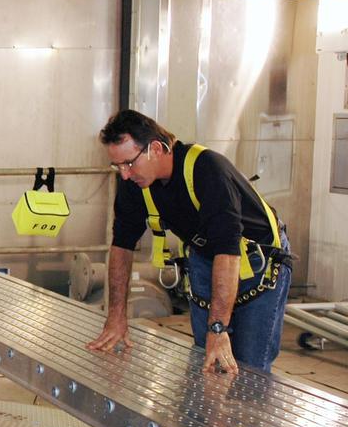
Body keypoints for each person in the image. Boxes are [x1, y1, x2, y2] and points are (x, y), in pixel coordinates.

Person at [87, 110, 292, 376]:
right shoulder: (135, 183)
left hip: (258, 263)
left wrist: (218, 329)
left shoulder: (207, 170)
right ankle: (212, 416)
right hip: (207, 257)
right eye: (118, 166)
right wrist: (116, 317)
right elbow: (121, 246)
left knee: (248, 367)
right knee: (207, 361)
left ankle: (249, 414)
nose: (125, 174)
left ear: (157, 148)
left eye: (129, 163)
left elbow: (228, 252)